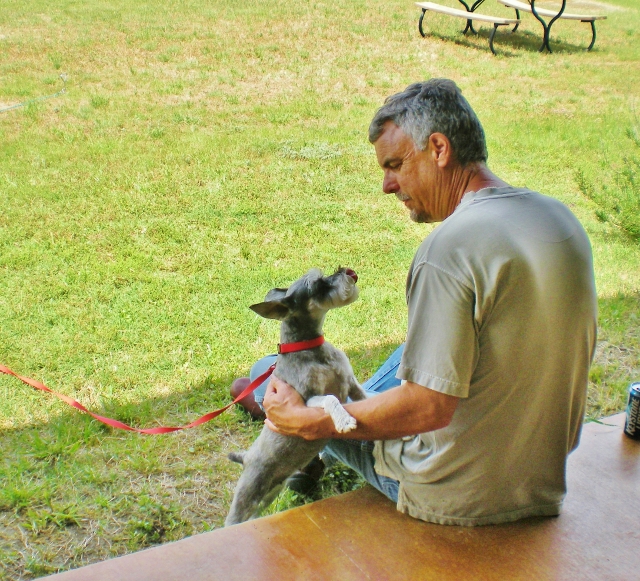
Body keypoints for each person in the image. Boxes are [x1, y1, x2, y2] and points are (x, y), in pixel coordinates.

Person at [232, 79, 598, 526]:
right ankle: (308, 432)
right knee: (408, 355)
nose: (388, 185)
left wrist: (315, 423)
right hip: (540, 478)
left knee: (270, 375)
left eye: (395, 165)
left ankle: (295, 434)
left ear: (439, 148)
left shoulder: (448, 251)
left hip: (451, 492)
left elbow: (427, 408)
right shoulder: (560, 219)